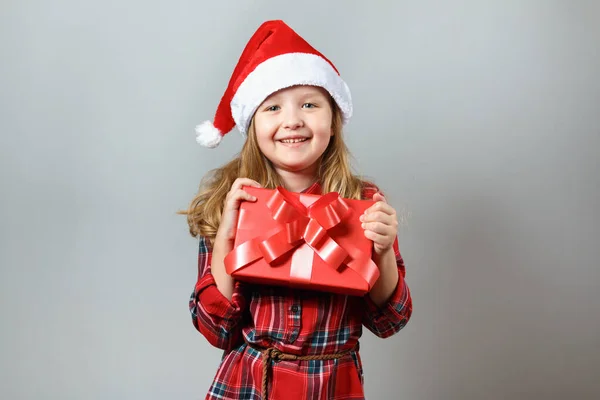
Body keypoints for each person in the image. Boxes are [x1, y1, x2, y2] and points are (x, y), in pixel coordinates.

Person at [182, 20, 412, 400]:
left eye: (309, 103)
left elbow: (390, 321)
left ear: (334, 120)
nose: (293, 120)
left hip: (333, 385)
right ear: (252, 124)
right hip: (251, 385)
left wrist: (382, 252)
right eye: (272, 107)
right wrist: (225, 239)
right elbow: (215, 329)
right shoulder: (233, 200)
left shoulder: (363, 201)